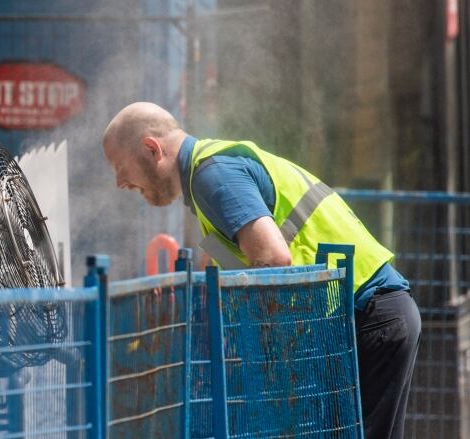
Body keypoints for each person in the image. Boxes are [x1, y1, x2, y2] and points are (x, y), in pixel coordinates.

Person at [102, 101, 421, 438]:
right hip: (363, 318)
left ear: (152, 149)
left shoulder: (212, 174)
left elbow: (272, 259)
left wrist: (270, 358)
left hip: (366, 317)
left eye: (120, 166)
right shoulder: (210, 172)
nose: (120, 182)